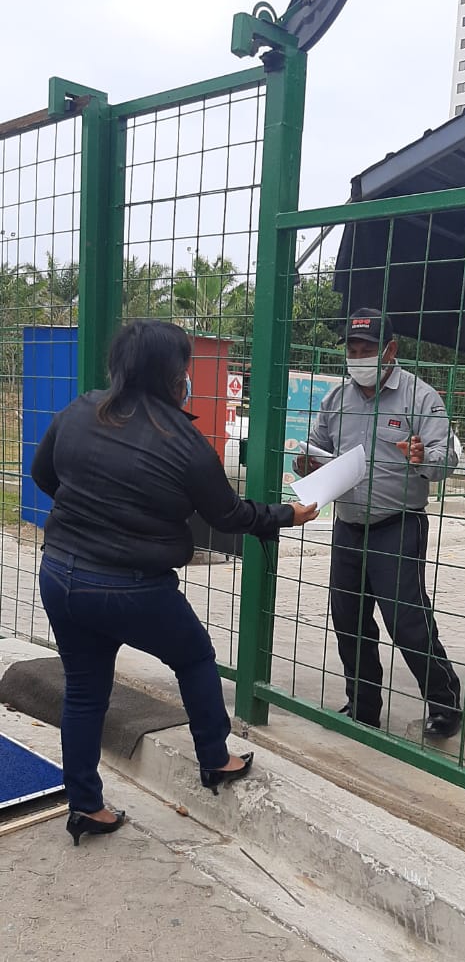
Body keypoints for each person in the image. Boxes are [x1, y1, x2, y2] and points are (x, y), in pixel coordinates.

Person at [31, 319, 317, 846]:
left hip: (60, 575)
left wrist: (90, 514)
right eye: (185, 366)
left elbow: (44, 475)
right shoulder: (184, 443)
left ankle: (86, 807)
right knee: (194, 657)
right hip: (132, 589)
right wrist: (286, 515)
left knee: (85, 692)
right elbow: (229, 515)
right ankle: (215, 757)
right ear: (173, 373)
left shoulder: (80, 410)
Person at [296, 309, 462, 737]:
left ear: (390, 350)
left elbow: (447, 459)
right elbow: (317, 448)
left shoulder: (420, 397)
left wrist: (423, 457)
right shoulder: (337, 400)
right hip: (348, 524)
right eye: (351, 351)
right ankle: (363, 707)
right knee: (349, 620)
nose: (357, 358)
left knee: (406, 622)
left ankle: (445, 703)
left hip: (397, 524)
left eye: (366, 350)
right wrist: (306, 463)